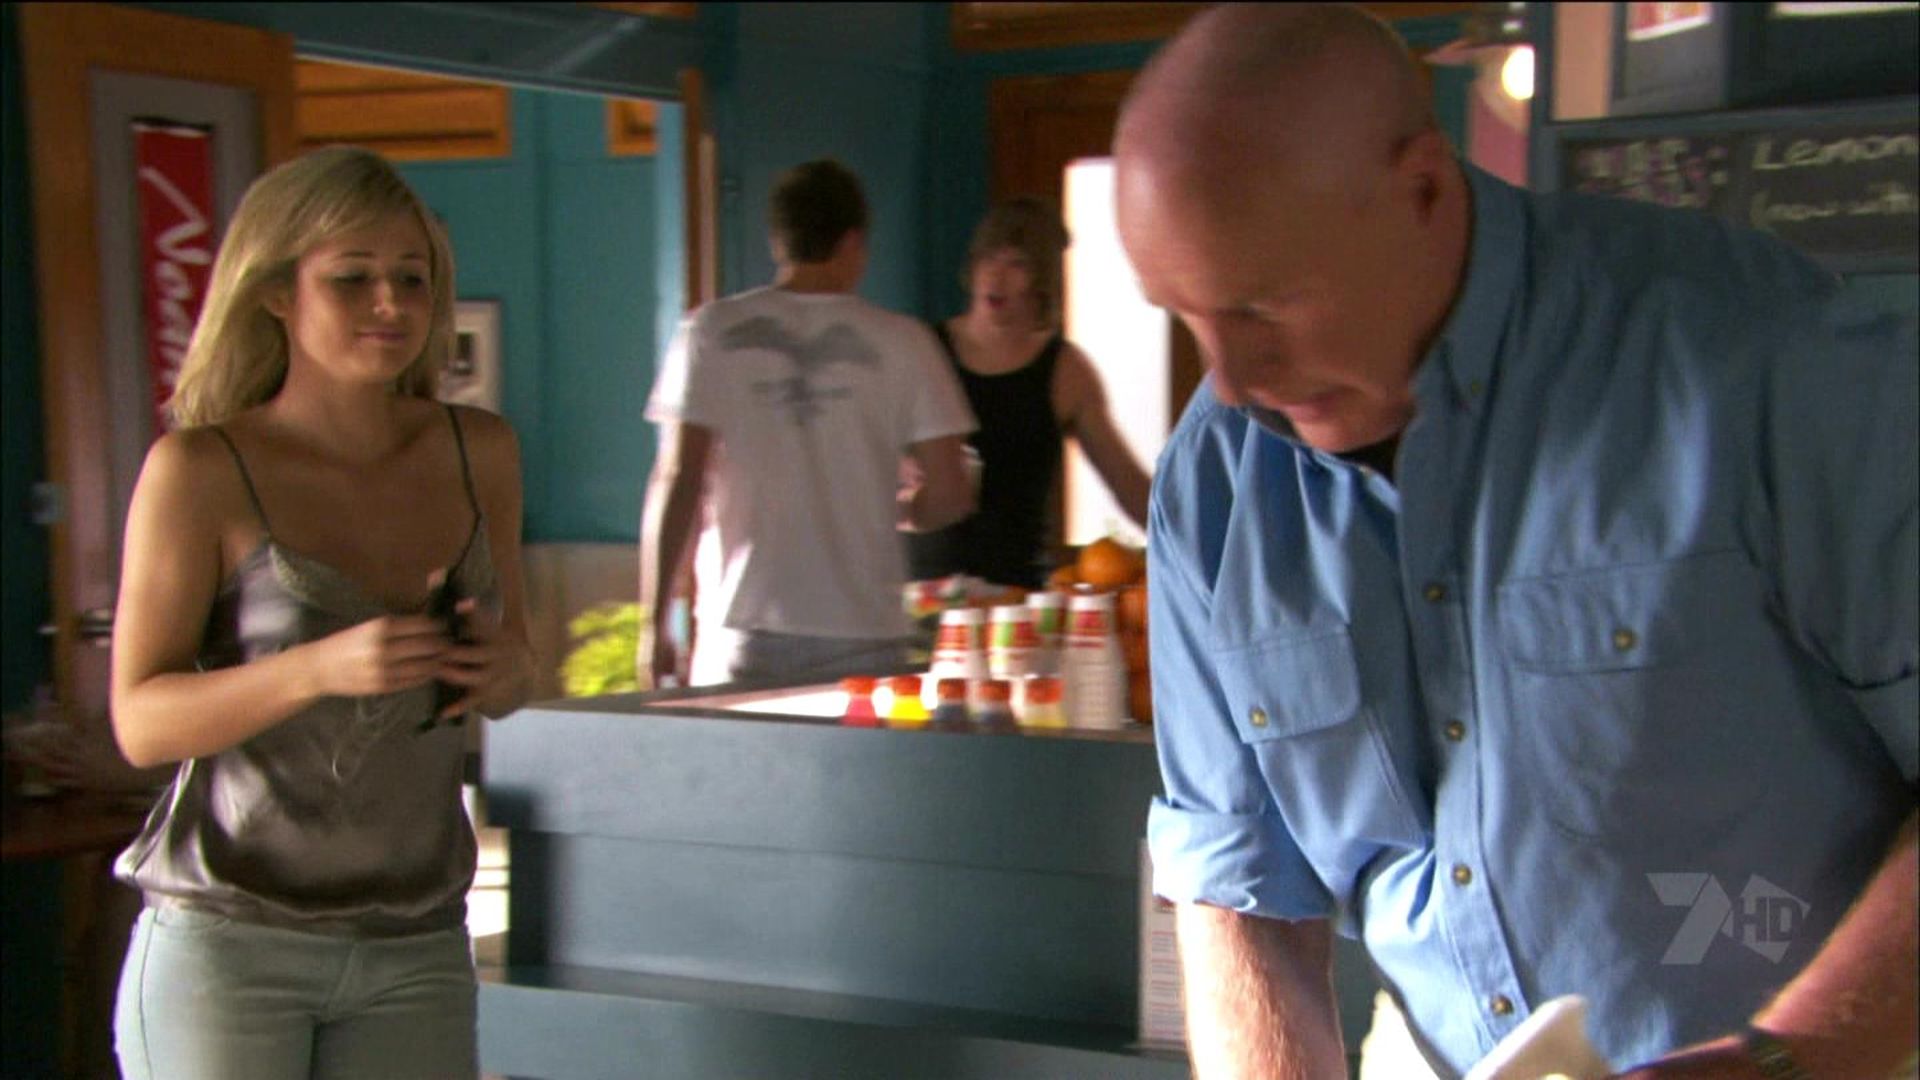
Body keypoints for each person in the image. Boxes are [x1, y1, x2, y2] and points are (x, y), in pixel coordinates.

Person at [1115, 5, 1917, 1080]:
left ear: (1423, 189)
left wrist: (1795, 1058)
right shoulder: (1216, 478)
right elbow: (1238, 886)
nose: (1232, 380)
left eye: (1268, 303)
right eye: (1187, 315)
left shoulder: (1765, 361)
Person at [107, 145, 534, 1079]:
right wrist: (314, 669)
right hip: (230, 940)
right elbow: (140, 723)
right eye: (352, 278)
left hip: (416, 936)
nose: (391, 304)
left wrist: (504, 672)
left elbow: (514, 668)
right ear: (274, 292)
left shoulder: (481, 452)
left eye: (412, 278)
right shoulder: (201, 470)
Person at [640, 159, 977, 688]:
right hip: (866, 629)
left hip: (744, 623)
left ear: (779, 241)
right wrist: (898, 508)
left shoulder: (710, 331)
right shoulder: (905, 342)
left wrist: (654, 623)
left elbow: (678, 480)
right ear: (853, 242)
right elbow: (952, 494)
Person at [905, 198, 1151, 588]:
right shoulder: (924, 350)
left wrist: (1195, 545)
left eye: (1016, 264)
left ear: (1041, 281)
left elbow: (1128, 485)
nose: (996, 275)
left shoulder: (1066, 370)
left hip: (1017, 594)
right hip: (924, 589)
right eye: (989, 259)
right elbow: (867, 450)